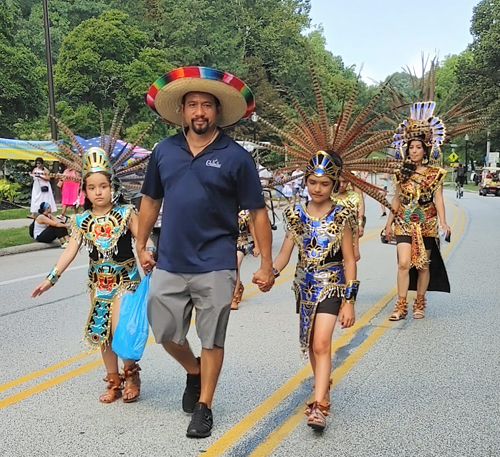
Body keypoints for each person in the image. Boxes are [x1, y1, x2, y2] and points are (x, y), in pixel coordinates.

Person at [137, 66, 275, 438]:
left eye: (207, 105)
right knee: (165, 333)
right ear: (182, 110)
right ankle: (194, 371)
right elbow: (151, 199)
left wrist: (266, 263)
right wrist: (140, 243)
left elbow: (258, 213)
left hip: (216, 261)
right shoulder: (164, 151)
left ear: (217, 112)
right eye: (193, 104)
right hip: (170, 258)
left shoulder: (235, 157)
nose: (200, 112)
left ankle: (204, 406)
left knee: (212, 337)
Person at [30, 114, 155, 404]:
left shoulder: (126, 213)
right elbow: (70, 250)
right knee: (102, 333)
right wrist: (51, 279)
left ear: (113, 186)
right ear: (84, 191)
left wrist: (146, 254)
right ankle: (113, 382)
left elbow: (142, 241)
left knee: (118, 328)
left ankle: (131, 375)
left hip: (126, 281)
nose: (98, 192)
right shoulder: (82, 220)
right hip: (97, 283)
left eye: (103, 186)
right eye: (92, 187)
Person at [272, 152, 358, 431]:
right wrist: (269, 273)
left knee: (321, 343)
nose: (317, 188)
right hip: (304, 286)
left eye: (324, 183)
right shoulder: (295, 215)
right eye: (312, 182)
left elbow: (349, 260)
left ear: (334, 184)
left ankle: (319, 405)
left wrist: (349, 301)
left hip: (332, 285)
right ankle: (323, 385)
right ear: (305, 182)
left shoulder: (342, 215)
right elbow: (285, 254)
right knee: (311, 343)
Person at [385, 102, 451, 320]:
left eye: (418, 147)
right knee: (404, 263)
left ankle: (420, 302)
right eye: (411, 147)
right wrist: (388, 224)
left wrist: (443, 221)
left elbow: (438, 199)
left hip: (428, 222)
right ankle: (401, 304)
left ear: (425, 150)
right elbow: (396, 199)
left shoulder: (436, 173)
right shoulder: (400, 172)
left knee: (423, 265)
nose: (414, 151)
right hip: (403, 221)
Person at [231, 209, 260, 310]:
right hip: (226, 243)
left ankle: (234, 298)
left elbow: (252, 227)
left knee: (235, 265)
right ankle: (239, 286)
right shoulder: (222, 205)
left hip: (241, 243)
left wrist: (256, 245)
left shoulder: (246, 211)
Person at [333, 176, 362, 261]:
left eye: (344, 182)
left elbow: (354, 225)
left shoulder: (354, 198)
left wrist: (356, 247)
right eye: (338, 182)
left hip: (347, 241)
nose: (341, 185)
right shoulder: (327, 197)